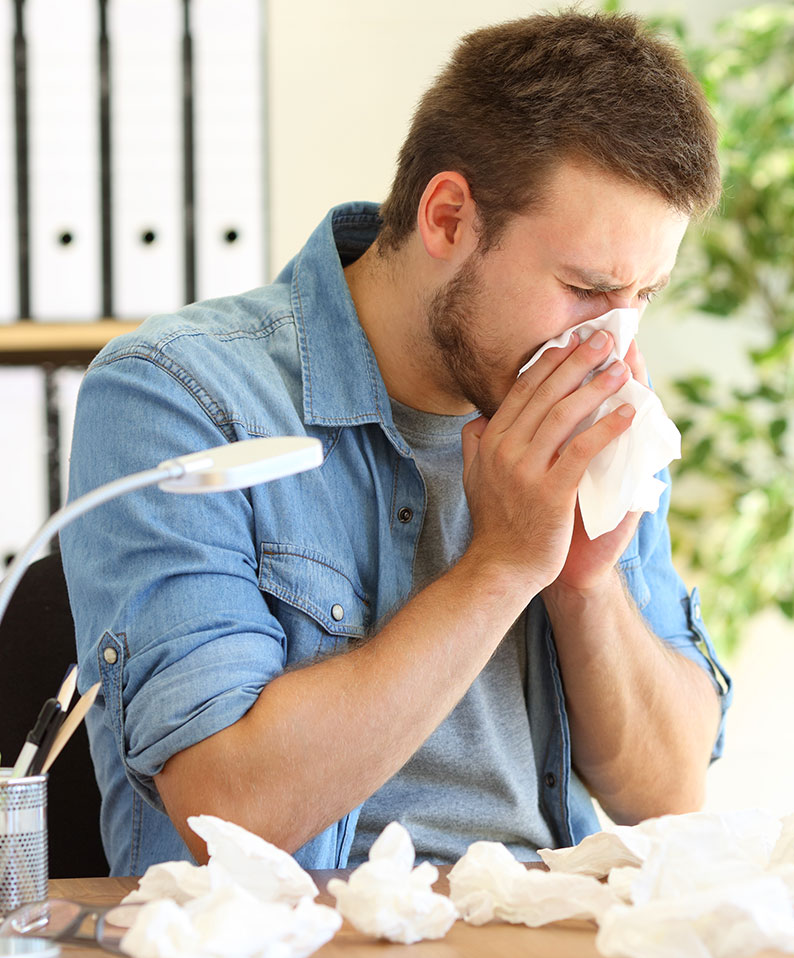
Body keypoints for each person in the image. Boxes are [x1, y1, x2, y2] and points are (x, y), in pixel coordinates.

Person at [64, 11, 732, 874]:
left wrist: (585, 584)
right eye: (584, 288)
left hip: (553, 940)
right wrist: (501, 567)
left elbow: (669, 791)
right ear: (448, 217)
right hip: (304, 957)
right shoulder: (180, 395)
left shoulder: (592, 406)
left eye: (644, 294)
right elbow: (224, 813)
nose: (610, 340)